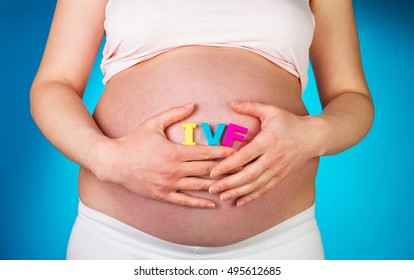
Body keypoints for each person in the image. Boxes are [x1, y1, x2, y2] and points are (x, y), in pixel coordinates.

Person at [30, 0, 374, 260]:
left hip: (278, 241)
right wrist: (110, 160)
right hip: (119, 238)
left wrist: (310, 136)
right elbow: (53, 85)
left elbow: (352, 97)